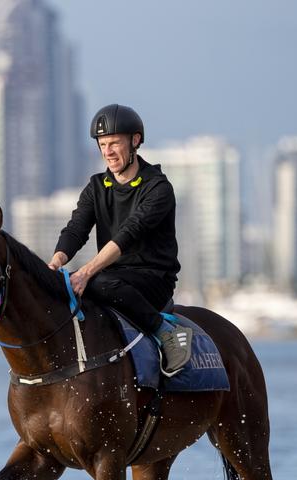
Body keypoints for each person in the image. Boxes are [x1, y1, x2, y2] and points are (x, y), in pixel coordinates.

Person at [49, 103, 192, 376]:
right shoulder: (96, 186)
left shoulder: (158, 187)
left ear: (135, 141)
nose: (108, 152)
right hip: (112, 277)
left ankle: (166, 332)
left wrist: (86, 272)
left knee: (94, 281)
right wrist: (54, 265)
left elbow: (129, 233)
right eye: (102, 145)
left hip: (151, 279)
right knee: (71, 286)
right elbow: (76, 229)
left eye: (114, 143)